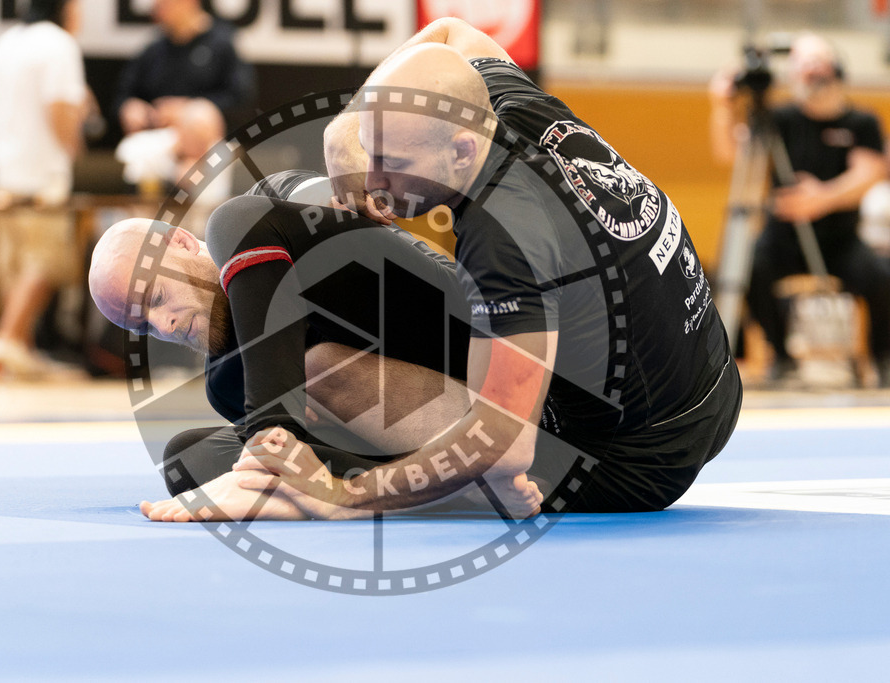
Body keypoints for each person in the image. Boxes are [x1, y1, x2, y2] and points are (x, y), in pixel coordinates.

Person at [229, 18, 741, 518]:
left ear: (461, 150)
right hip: (711, 378)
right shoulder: (508, 105)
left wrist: (346, 496)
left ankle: (454, 487)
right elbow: (450, 30)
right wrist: (344, 128)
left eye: (394, 163)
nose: (374, 179)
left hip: (640, 458)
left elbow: (500, 444)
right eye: (370, 151)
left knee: (327, 377)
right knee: (290, 237)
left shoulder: (505, 239)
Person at [89, 169, 516, 521]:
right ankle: (448, 488)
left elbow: (341, 203)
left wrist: (347, 171)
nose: (165, 325)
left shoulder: (270, 202)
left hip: (468, 332)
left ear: (181, 242)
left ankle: (272, 452)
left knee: (236, 222)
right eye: (144, 328)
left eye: (156, 299)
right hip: (445, 430)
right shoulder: (227, 382)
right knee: (186, 458)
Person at [709, 33, 890, 387]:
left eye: (816, 61)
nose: (809, 70)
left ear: (836, 67)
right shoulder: (779, 119)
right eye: (801, 64)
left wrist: (822, 197)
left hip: (840, 239)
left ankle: (882, 360)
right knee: (750, 268)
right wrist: (721, 106)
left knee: (882, 277)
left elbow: (869, 172)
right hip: (784, 237)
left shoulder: (861, 122)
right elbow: (730, 154)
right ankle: (781, 356)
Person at [0, 0, 88, 378]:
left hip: (3, 173)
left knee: (14, 266)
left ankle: (20, 349)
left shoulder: (4, 43)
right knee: (46, 262)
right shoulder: (60, 45)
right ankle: (7, 337)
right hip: (44, 174)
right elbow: (60, 108)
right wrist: (74, 152)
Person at [113, 0, 255, 187]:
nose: (158, 9)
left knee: (199, 116)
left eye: (165, 3)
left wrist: (185, 109)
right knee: (134, 154)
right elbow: (124, 96)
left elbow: (241, 99)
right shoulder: (154, 50)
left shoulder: (223, 43)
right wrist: (130, 107)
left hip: (208, 142)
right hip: (160, 141)